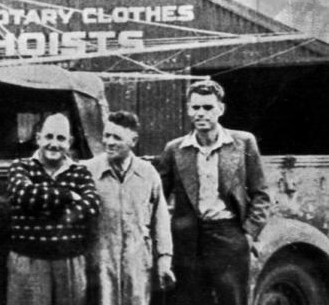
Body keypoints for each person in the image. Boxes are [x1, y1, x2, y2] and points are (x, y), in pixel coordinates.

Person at [158, 80, 270, 305]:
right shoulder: (175, 149)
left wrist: (247, 235)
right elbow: (159, 197)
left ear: (221, 109)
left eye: (208, 107)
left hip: (229, 237)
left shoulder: (243, 143)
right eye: (195, 107)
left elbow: (261, 194)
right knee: (190, 300)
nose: (201, 114)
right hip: (187, 241)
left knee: (232, 299)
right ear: (188, 110)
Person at [6, 113, 100, 305]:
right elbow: (24, 194)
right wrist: (68, 196)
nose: (54, 144)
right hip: (29, 263)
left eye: (61, 138)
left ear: (70, 142)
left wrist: (58, 215)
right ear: (38, 137)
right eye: (49, 137)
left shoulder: (80, 172)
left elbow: (92, 205)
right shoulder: (21, 167)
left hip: (69, 264)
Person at [85, 111, 174, 305]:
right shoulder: (88, 171)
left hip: (138, 264)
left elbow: (161, 219)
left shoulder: (148, 173)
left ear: (133, 140)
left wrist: (164, 258)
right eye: (106, 135)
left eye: (117, 137)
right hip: (100, 263)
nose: (109, 142)